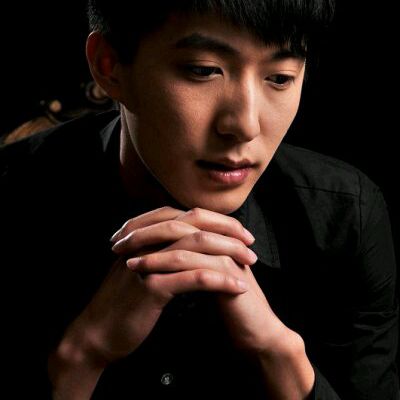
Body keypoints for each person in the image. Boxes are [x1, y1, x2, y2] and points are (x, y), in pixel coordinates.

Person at [0, 0, 398, 399]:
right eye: (204, 71)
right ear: (110, 66)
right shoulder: (12, 195)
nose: (244, 125)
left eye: (279, 78)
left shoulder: (346, 214)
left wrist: (281, 355)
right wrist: (81, 357)